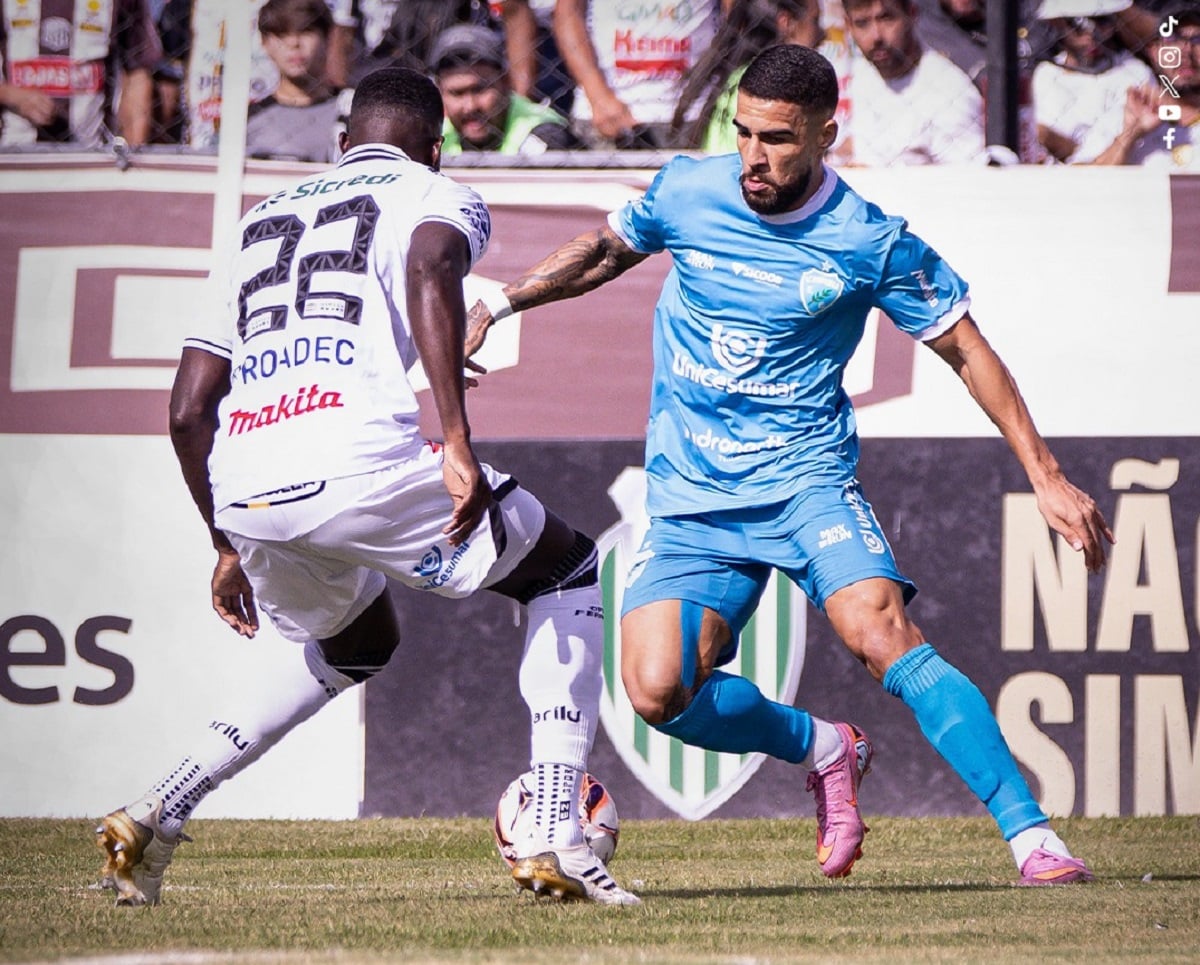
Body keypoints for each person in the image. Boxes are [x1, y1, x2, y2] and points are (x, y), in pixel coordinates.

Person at [465, 44, 1112, 886]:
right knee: (658, 690)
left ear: (823, 136)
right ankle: (825, 746)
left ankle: (1034, 839)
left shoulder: (866, 239)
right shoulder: (690, 190)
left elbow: (967, 349)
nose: (753, 158)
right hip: (693, 495)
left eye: (776, 139)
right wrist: (502, 301)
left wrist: (1046, 474)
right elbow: (600, 253)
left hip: (805, 484)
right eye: (743, 133)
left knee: (876, 631)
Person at [93, 66, 638, 908]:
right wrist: (456, 439)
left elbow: (186, 409)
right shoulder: (434, 189)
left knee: (356, 642)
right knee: (563, 572)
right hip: (356, 459)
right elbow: (430, 262)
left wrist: (223, 538)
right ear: (434, 144)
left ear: (340, 144)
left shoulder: (256, 221)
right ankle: (558, 827)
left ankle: (158, 806)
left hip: (245, 480)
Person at [551, 0, 729, 148]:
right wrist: (598, 96)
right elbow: (568, 13)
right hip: (608, 112)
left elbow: (736, 15)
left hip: (698, 112)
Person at [837, 0, 986, 165]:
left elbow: (969, 182)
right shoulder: (852, 73)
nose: (876, 36)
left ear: (912, 14)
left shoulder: (951, 91)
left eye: (887, 18)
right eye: (862, 23)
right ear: (848, 25)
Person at [0, 0, 162, 148]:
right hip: (12, 153)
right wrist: (11, 95)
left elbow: (138, 72)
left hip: (91, 155)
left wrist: (133, 153)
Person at [1032, 0, 1157, 163]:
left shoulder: (1133, 74)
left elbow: (1109, 154)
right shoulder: (1044, 74)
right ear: (1057, 23)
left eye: (1102, 21)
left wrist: (1053, 140)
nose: (1091, 35)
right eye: (1077, 24)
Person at [430, 23, 581, 155]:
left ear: (506, 82)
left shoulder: (543, 132)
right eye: (457, 93)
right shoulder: (432, 135)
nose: (470, 106)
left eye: (480, 90)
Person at [1092, 5, 1200, 167]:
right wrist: (1131, 133)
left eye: (1197, 40)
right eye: (1173, 39)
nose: (1185, 50)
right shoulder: (1125, 113)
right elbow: (1084, 185)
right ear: (1153, 51)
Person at [246, 0, 344, 162]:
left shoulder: (353, 112)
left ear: (327, 38)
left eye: (306, 31)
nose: (293, 43)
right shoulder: (251, 118)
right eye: (281, 33)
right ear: (264, 42)